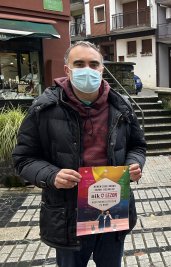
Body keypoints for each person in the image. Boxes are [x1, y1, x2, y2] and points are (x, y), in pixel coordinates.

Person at [12, 41, 146, 267]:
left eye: (94, 64)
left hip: (113, 211)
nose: (88, 70)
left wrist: (134, 164)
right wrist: (52, 175)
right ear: (67, 69)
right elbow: (23, 159)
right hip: (68, 217)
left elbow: (138, 146)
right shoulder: (44, 108)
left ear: (102, 69)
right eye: (80, 64)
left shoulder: (121, 106)